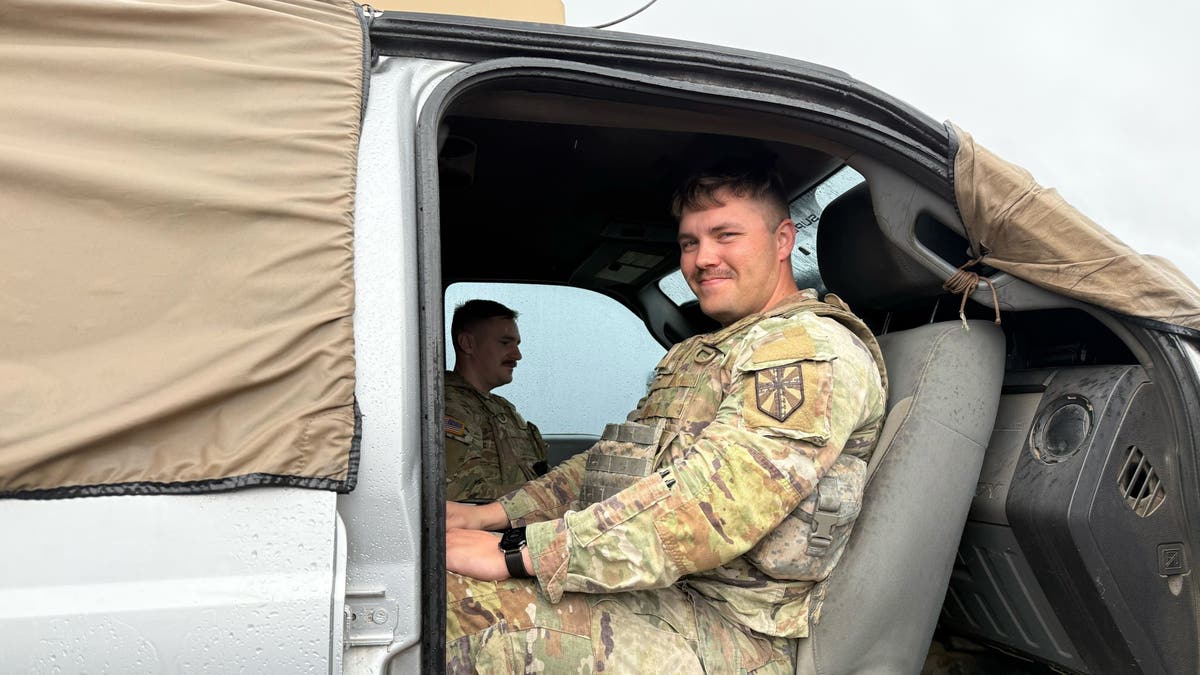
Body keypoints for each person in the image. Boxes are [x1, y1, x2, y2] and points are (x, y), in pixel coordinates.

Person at [443, 162, 888, 672]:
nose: (703, 259)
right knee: (430, 582)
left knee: (451, 604)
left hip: (735, 630)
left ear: (784, 239)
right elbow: (613, 462)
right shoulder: (699, 353)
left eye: (726, 236)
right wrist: (493, 516)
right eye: (689, 243)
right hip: (668, 592)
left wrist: (521, 551)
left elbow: (709, 507)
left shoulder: (807, 350)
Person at [444, 299, 548, 501]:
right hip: (483, 530)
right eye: (505, 343)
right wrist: (546, 495)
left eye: (517, 344)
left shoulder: (502, 409)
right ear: (468, 343)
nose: (517, 355)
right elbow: (458, 498)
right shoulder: (450, 409)